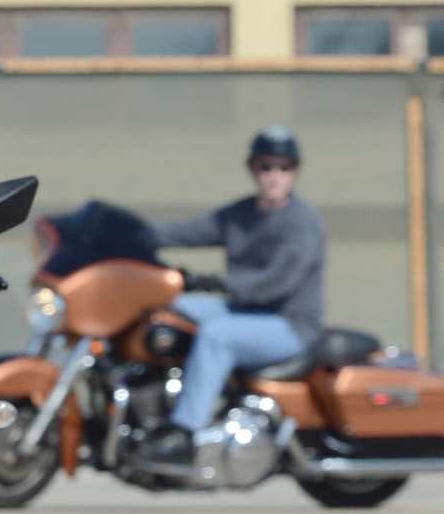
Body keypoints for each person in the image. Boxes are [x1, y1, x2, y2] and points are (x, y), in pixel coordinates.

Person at [139, 126, 326, 464]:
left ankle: (184, 432)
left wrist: (214, 281)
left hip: (289, 325)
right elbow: (186, 232)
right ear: (253, 168)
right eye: (266, 166)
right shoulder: (241, 215)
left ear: (295, 171)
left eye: (283, 167)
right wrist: (132, 234)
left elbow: (277, 283)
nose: (274, 175)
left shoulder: (301, 224)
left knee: (217, 335)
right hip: (243, 309)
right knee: (164, 309)